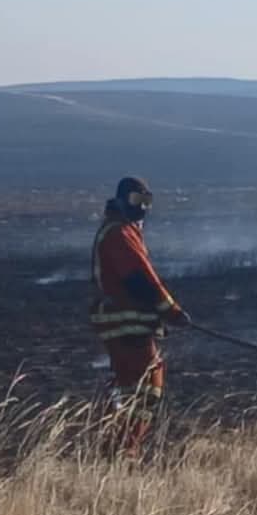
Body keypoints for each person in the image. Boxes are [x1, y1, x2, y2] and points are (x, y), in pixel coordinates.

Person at [89, 176, 189, 457]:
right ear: (122, 200)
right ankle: (123, 450)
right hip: (125, 322)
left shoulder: (121, 230)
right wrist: (172, 311)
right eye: (137, 201)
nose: (143, 208)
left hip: (123, 323)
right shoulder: (119, 234)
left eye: (147, 202)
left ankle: (115, 448)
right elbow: (141, 279)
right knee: (145, 385)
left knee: (129, 386)